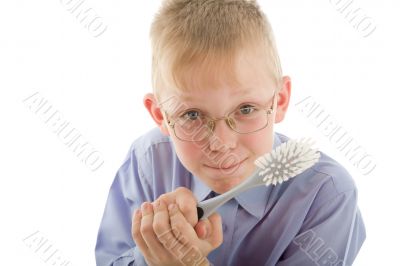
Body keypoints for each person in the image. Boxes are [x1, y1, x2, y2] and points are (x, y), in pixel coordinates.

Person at [95, 0, 366, 265]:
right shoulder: (148, 162)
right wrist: (152, 256)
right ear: (160, 115)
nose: (221, 144)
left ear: (279, 101)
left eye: (246, 109)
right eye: (192, 115)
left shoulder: (327, 194)